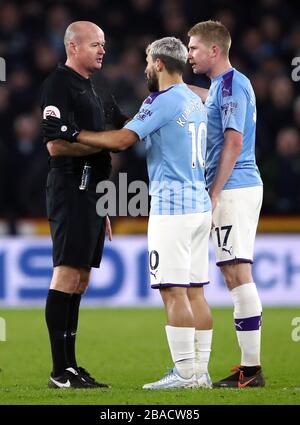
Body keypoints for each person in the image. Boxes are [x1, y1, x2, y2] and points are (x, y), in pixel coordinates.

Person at [43, 36, 214, 390]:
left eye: (150, 61)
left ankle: (185, 375)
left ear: (161, 65)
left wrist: (74, 133)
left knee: (174, 291)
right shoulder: (194, 100)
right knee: (195, 291)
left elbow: (123, 139)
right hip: (199, 206)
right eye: (96, 43)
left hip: (173, 208)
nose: (146, 67)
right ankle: (200, 371)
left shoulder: (164, 100)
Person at [40, 21, 127, 389]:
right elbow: (56, 144)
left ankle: (71, 366)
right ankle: (59, 371)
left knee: (82, 279)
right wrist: (108, 142)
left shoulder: (98, 90)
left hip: (93, 192)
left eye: (104, 44)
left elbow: (127, 130)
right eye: (95, 44)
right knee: (66, 273)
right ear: (73, 47)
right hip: (70, 186)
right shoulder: (58, 84)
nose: (102, 50)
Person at [188, 20, 265, 388]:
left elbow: (233, 142)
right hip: (234, 187)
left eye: (194, 48)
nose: (189, 54)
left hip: (234, 187)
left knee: (237, 272)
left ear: (214, 51)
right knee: (232, 271)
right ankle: (249, 365)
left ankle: (252, 369)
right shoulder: (221, 86)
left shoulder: (233, 84)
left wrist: (215, 191)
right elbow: (207, 101)